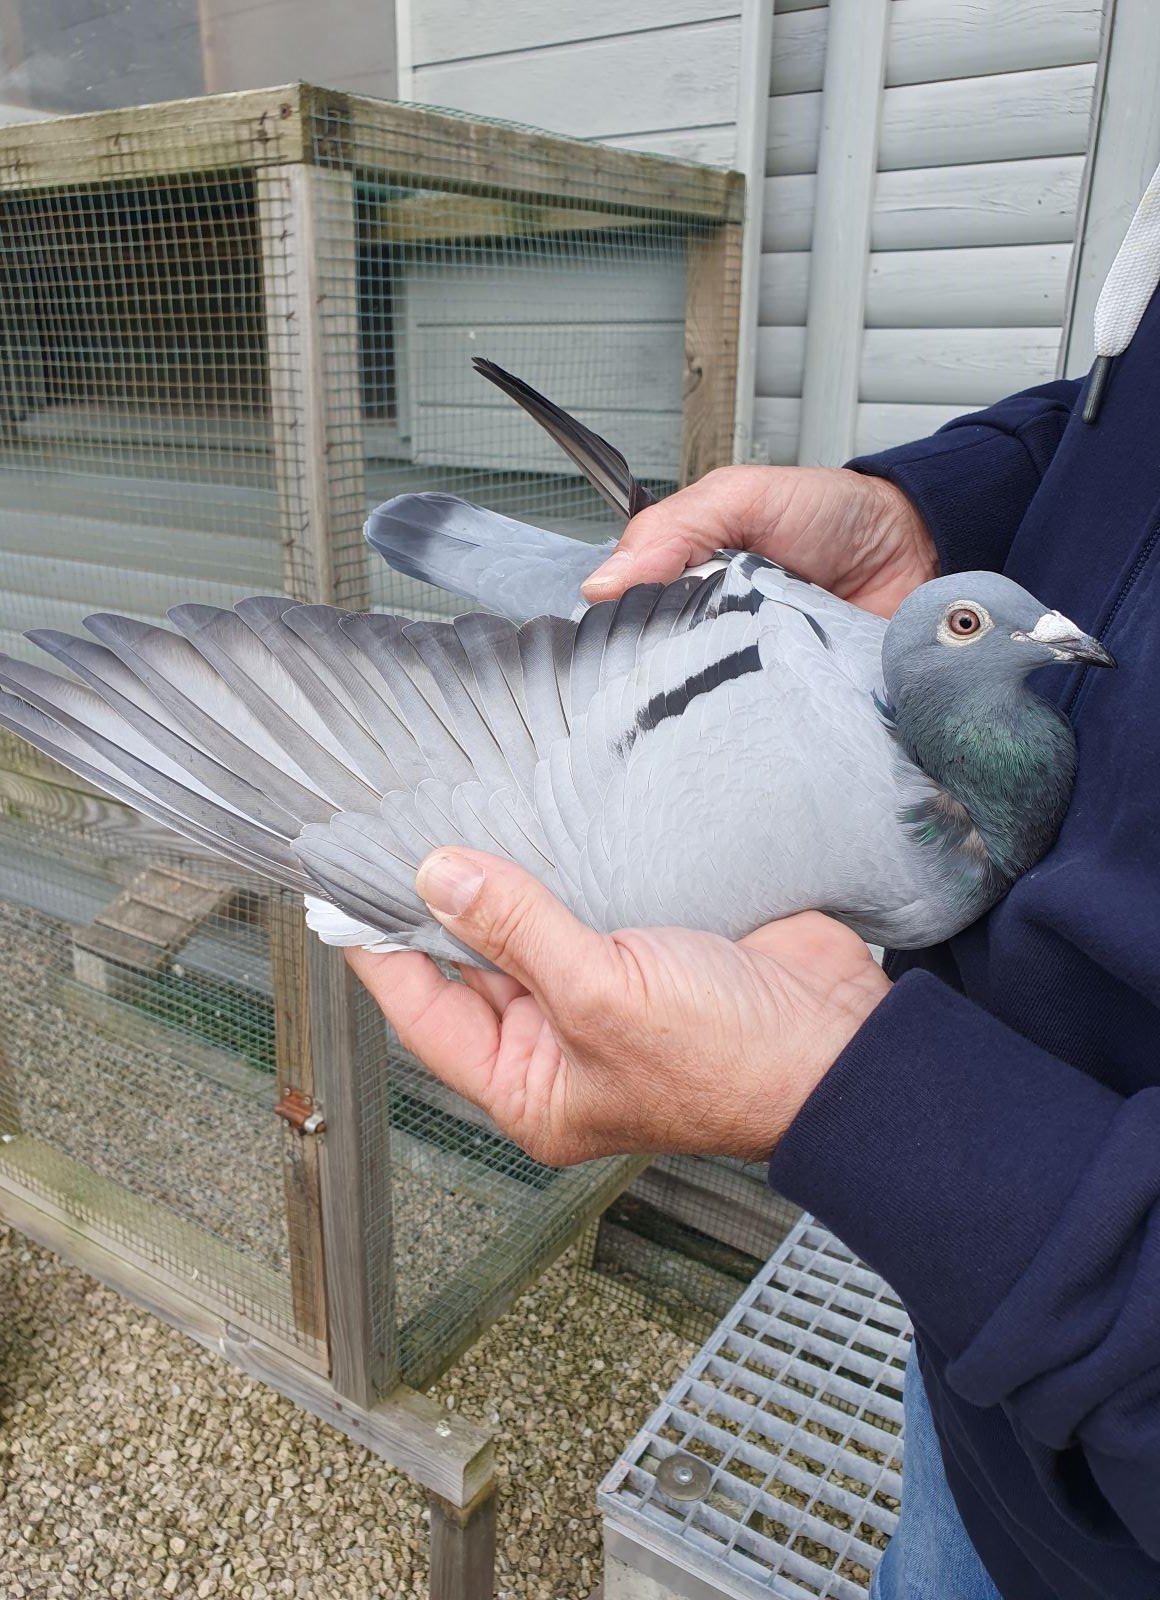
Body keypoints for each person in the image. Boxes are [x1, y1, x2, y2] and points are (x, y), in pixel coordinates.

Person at [348, 189, 1160, 1598]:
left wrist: (854, 1103)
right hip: (981, 1373)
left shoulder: (927, 833)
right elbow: (1125, 417)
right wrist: (927, 506)